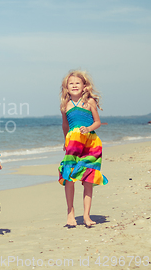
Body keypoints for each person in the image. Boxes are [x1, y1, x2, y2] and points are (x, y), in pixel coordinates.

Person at [58, 70, 108, 228]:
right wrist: (66, 140)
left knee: (88, 179)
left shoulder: (90, 102)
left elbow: (98, 122)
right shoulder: (65, 106)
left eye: (77, 83)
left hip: (91, 144)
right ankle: (70, 212)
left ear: (84, 85)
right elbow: (65, 125)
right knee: (69, 177)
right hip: (73, 144)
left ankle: (86, 215)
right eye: (71, 83)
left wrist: (88, 128)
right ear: (66, 87)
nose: (74, 85)